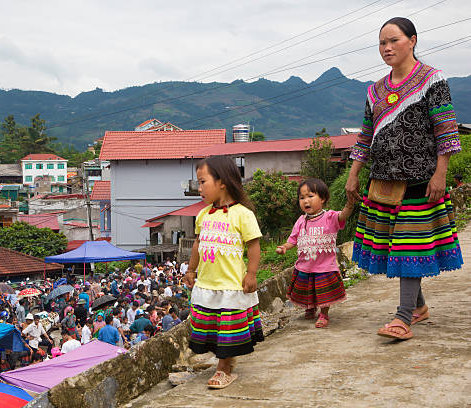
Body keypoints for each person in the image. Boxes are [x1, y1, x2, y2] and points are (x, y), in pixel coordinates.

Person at [345, 17, 463, 341]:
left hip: (420, 182)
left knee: (409, 246)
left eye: (393, 40)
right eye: (382, 43)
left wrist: (440, 174)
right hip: (383, 183)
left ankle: (403, 316)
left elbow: (447, 131)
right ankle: (419, 307)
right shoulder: (375, 90)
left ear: (412, 40)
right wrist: (354, 174)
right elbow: (366, 136)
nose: (386, 48)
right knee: (399, 249)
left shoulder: (431, 80)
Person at [182, 155, 264, 389]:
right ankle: (225, 362)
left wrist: (251, 273)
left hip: (230, 285)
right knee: (214, 331)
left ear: (223, 182)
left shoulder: (243, 214)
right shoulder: (203, 215)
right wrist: (190, 269)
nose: (199, 188)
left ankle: (224, 368)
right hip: (208, 285)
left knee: (228, 331)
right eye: (198, 183)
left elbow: (254, 245)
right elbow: (198, 244)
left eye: (203, 182)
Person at [276, 178, 355, 328]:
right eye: (302, 198)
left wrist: (349, 205)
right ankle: (310, 307)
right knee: (307, 289)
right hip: (305, 265)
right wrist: (284, 247)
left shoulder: (330, 217)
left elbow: (343, 215)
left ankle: (324, 314)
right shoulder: (300, 220)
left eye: (310, 196)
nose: (306, 201)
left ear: (323, 198)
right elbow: (292, 240)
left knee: (324, 292)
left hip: (325, 266)